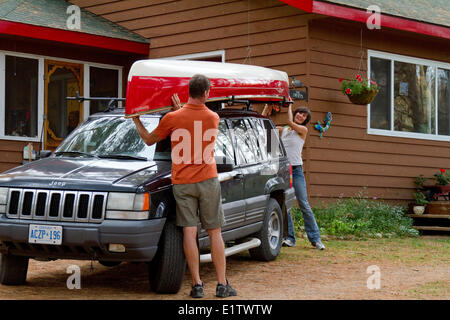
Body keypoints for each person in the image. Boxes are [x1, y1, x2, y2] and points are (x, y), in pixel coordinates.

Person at [131, 74, 237, 298]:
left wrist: (137, 120)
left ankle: (197, 285)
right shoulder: (214, 118)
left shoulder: (172, 117)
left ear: (188, 91)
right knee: (214, 231)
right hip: (207, 180)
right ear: (207, 93)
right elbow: (195, 121)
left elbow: (150, 139)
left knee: (189, 231)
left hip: (182, 182)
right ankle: (221, 284)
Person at [262, 103, 325, 250]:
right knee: (285, 205)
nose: (300, 116)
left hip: (296, 171)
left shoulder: (302, 131)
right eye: (299, 113)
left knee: (304, 204)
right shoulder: (284, 130)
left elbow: (290, 121)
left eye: (303, 115)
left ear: (305, 120)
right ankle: (290, 238)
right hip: (283, 171)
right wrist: (266, 107)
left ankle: (315, 239)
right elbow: (265, 124)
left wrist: (289, 105)